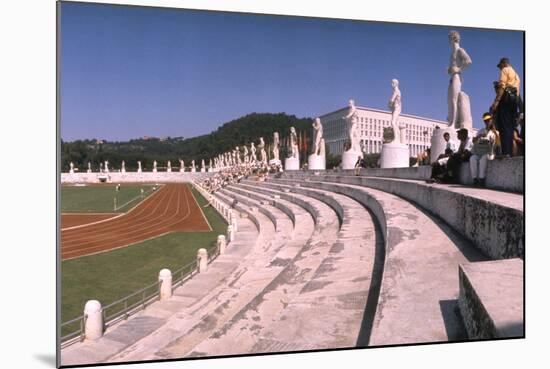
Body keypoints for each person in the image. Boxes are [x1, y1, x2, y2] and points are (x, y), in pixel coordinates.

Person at [490, 57, 521, 156]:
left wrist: (496, 101)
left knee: (503, 127)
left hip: (506, 101)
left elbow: (502, 87)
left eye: (500, 66)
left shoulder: (505, 70)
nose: (500, 68)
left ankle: (506, 152)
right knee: (510, 127)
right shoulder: (516, 75)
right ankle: (510, 152)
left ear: (503, 63)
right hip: (514, 102)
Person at [470, 113, 498, 187]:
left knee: (484, 158)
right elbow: (473, 141)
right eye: (485, 121)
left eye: (488, 120)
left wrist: (492, 142)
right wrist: (478, 137)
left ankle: (482, 179)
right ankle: (475, 179)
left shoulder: (495, 132)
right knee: (472, 158)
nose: (487, 122)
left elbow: (496, 146)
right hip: (479, 152)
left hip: (489, 153)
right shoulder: (480, 131)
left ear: (491, 120)